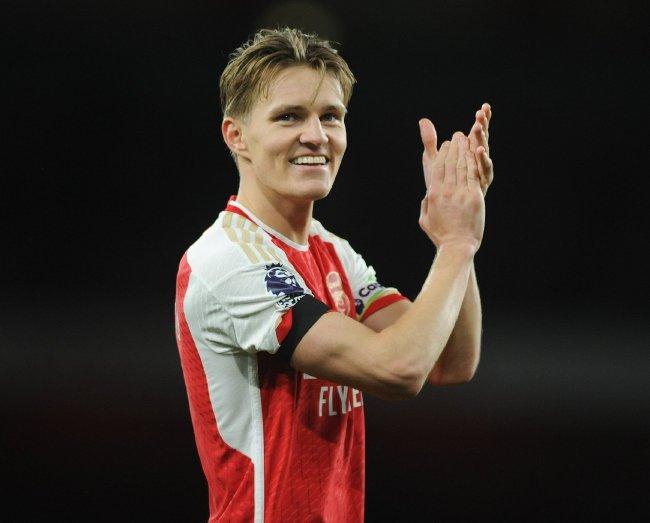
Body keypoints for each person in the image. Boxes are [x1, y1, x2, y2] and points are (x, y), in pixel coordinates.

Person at [174, 27, 494, 522]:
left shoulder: (333, 252)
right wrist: (456, 244)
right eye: (289, 116)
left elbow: (450, 362)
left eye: (330, 116)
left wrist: (459, 229)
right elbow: (398, 369)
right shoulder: (229, 260)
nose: (316, 135)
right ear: (236, 135)